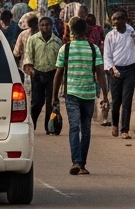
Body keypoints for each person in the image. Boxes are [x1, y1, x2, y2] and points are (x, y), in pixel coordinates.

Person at [53, 17, 105, 175]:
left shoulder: (65, 49)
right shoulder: (93, 48)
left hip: (72, 94)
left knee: (74, 128)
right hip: (89, 94)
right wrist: (105, 95)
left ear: (70, 31)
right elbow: (100, 74)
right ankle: (81, 164)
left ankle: (76, 161)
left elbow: (58, 74)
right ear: (85, 31)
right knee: (86, 129)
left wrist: (54, 96)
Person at [102, 9, 135, 137]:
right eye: (114, 19)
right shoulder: (110, 36)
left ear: (125, 20)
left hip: (130, 69)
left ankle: (124, 130)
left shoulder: (131, 32)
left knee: (127, 100)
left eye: (119, 18)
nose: (116, 21)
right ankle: (115, 124)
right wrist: (110, 69)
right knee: (116, 101)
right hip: (115, 70)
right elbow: (107, 56)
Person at [23, 16, 61, 136]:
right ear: (39, 26)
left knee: (51, 102)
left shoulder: (57, 42)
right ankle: (31, 125)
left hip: (52, 75)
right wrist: (31, 69)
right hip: (37, 74)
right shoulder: (33, 39)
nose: (45, 27)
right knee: (37, 102)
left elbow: (60, 61)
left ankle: (49, 127)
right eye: (42, 25)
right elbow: (28, 55)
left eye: (47, 25)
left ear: (51, 26)